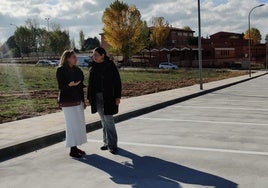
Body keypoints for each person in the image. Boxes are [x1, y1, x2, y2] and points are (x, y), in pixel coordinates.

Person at [87, 47, 122, 154]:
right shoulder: (93, 67)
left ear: (103, 55)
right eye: (93, 55)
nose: (94, 57)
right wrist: (89, 98)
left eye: (96, 55)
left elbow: (117, 82)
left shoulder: (110, 65)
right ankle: (106, 143)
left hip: (109, 97)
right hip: (97, 97)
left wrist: (117, 96)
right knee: (103, 121)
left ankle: (113, 145)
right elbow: (90, 84)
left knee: (109, 120)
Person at [56, 50, 87, 158]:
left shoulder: (78, 70)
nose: (76, 59)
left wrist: (83, 101)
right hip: (67, 101)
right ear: (67, 58)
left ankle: (75, 147)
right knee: (71, 125)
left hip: (78, 100)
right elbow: (61, 87)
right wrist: (69, 85)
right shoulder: (61, 70)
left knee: (78, 124)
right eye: (74, 57)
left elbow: (80, 86)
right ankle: (72, 150)